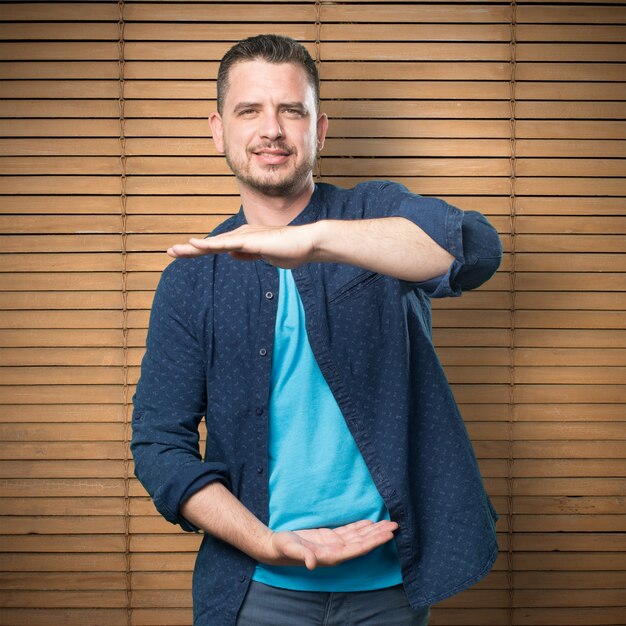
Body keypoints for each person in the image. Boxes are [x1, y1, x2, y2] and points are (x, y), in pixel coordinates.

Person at [131, 34, 502, 626]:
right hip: (253, 591)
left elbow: (477, 250)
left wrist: (315, 239)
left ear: (319, 129)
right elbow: (159, 446)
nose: (271, 129)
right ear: (218, 130)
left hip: (393, 587)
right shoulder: (192, 279)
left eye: (291, 110)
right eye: (249, 110)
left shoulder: (372, 216)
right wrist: (263, 542)